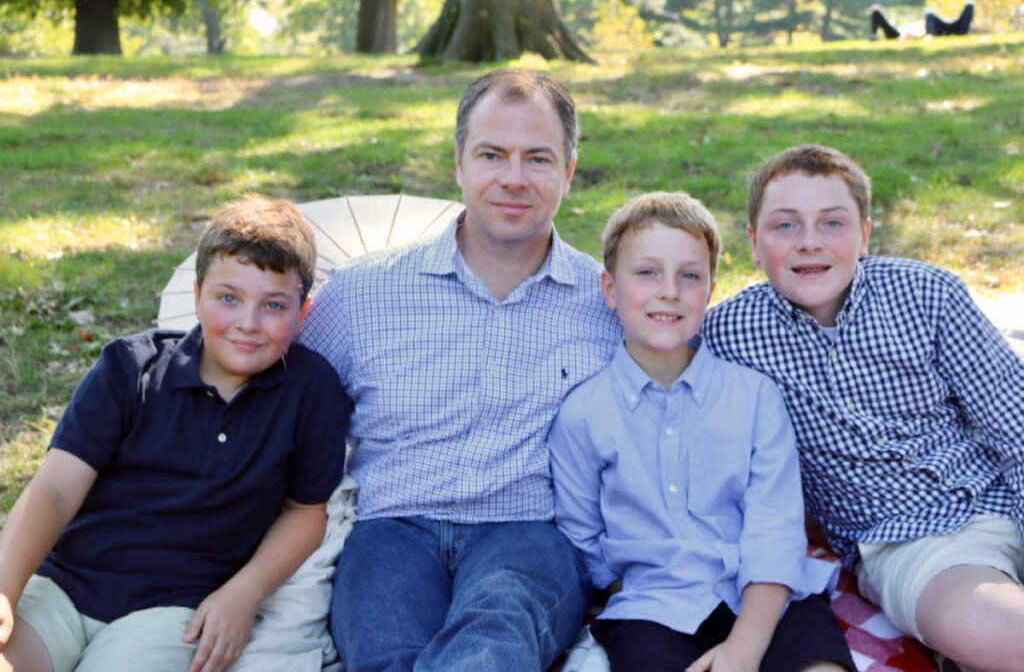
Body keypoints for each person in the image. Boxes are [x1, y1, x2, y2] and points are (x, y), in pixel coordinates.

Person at [298, 68, 622, 671]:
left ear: (570, 172)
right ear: (458, 163)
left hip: (527, 530)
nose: (514, 178)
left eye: (539, 159)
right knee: (385, 655)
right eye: (492, 154)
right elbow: (281, 410)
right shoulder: (364, 294)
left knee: (495, 640)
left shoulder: (607, 306)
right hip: (391, 527)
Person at [702, 144, 1024, 670]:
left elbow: (1015, 419)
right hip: (913, 541)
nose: (809, 243)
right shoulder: (727, 336)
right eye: (785, 226)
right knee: (994, 628)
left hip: (1004, 491)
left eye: (832, 223)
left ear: (865, 235)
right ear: (754, 245)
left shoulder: (927, 294)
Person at [0, 195, 349, 672]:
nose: (248, 323)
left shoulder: (313, 390)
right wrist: (3, 590)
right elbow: (56, 489)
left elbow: (307, 511)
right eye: (229, 298)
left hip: (172, 613)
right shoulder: (129, 368)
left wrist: (244, 593)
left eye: (274, 305)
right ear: (198, 293)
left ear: (302, 312)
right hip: (66, 585)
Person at [548, 192, 854, 672]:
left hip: (766, 597)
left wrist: (745, 648)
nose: (669, 291)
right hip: (653, 609)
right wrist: (624, 587)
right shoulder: (583, 414)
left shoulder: (754, 398)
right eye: (647, 272)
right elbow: (582, 533)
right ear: (609, 288)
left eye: (689, 276)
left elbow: (775, 529)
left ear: (710, 291)